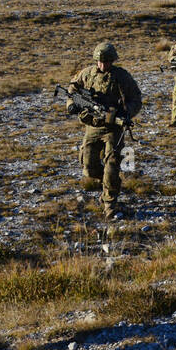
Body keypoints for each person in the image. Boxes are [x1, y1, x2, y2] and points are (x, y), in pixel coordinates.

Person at [66, 42, 143, 219]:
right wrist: (71, 104)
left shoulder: (121, 77)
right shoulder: (87, 74)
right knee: (89, 167)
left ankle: (110, 203)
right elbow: (72, 88)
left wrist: (125, 112)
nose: (103, 65)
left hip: (113, 129)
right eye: (100, 61)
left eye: (107, 61)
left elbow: (136, 99)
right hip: (92, 126)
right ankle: (110, 183)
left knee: (112, 164)